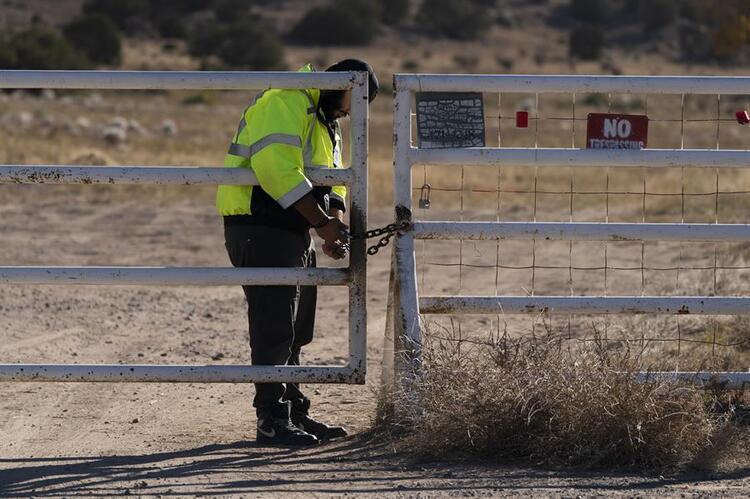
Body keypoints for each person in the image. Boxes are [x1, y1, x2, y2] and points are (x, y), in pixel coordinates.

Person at [216, 59, 378, 446]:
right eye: (349, 104)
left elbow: (335, 175)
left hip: (291, 228)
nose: (347, 114)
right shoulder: (286, 100)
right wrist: (323, 224)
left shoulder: (323, 118)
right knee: (274, 327)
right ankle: (271, 420)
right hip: (261, 225)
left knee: (294, 329)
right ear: (340, 86)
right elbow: (276, 169)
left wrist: (330, 220)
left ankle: (292, 410)